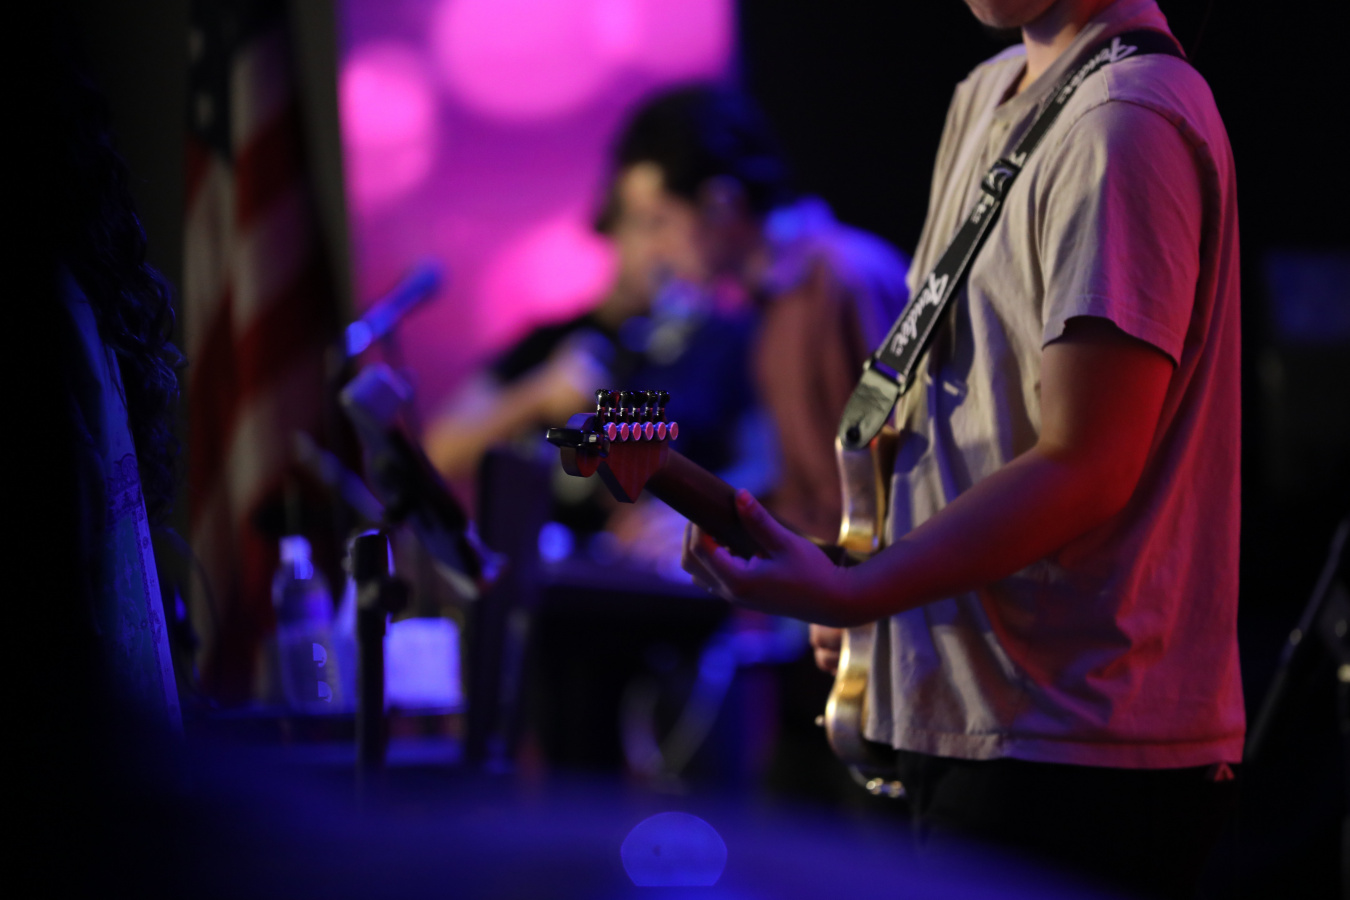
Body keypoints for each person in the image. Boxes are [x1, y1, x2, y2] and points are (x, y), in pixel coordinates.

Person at [682, 0, 1242, 896]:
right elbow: (960, 416)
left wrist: (862, 589)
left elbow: (1087, 464)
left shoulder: (1124, 118)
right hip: (980, 715)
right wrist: (867, 581)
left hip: (1071, 739)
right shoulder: (989, 91)